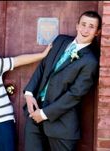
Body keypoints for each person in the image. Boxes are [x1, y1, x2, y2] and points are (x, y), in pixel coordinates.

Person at [23, 10, 102, 151]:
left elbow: (74, 95)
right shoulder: (60, 40)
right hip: (34, 116)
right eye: (83, 24)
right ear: (77, 25)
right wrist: (29, 93)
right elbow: (43, 66)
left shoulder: (90, 61)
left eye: (91, 26)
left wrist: (44, 114)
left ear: (97, 32)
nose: (85, 29)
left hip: (61, 125)